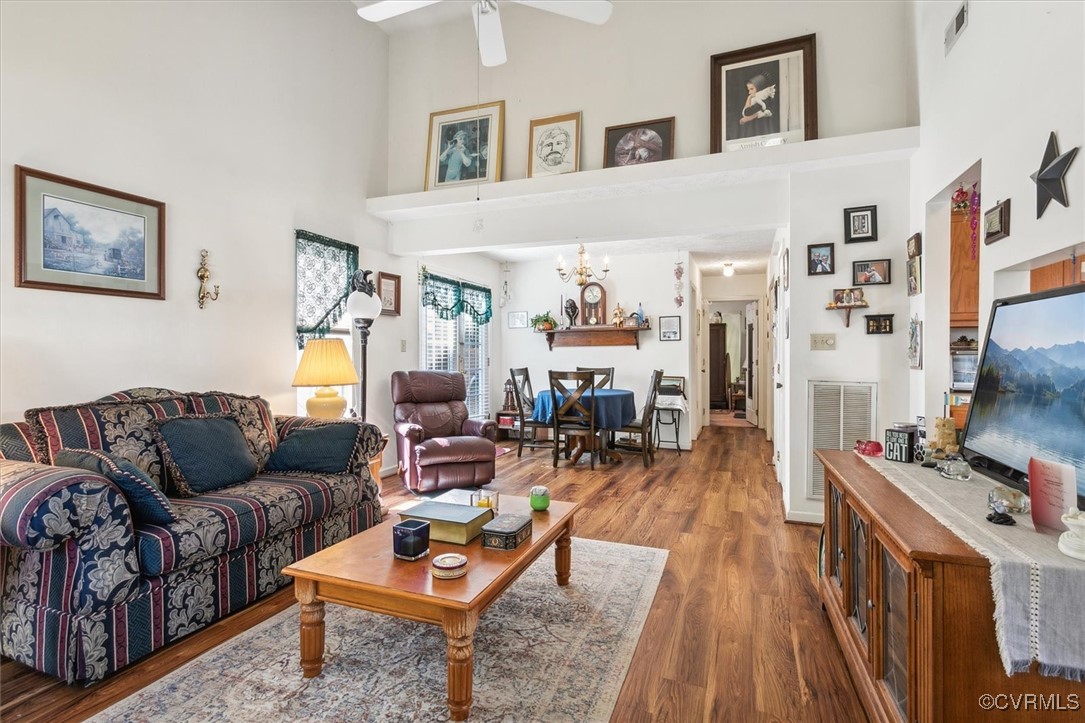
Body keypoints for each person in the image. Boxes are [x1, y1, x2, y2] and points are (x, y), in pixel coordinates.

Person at [735, 72, 779, 138]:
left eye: (752, 89)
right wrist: (749, 97)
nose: (749, 92)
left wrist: (749, 98)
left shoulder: (764, 98)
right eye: (748, 90)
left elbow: (748, 111)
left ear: (759, 88)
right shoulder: (755, 97)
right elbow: (747, 110)